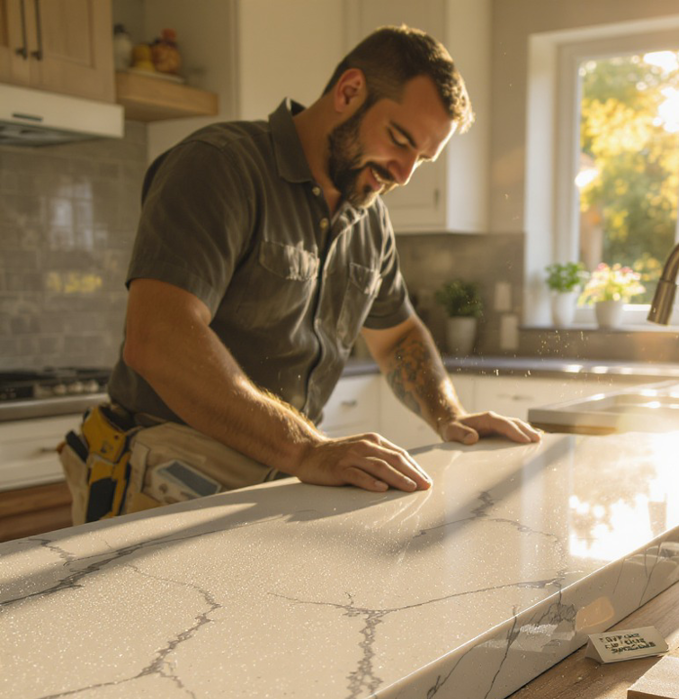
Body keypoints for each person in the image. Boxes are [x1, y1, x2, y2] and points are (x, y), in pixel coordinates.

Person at [59, 24, 540, 525]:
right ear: (349, 91)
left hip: (279, 465)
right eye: (399, 140)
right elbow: (157, 338)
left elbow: (397, 335)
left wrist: (451, 416)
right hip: (172, 460)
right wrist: (307, 449)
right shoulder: (220, 166)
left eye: (421, 158)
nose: (404, 173)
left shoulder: (368, 215)